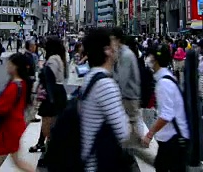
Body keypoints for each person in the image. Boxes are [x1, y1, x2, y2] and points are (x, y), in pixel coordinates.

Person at [80, 28, 130, 172]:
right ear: (107, 50)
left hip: (87, 160)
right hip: (97, 164)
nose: (117, 47)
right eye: (113, 43)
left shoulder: (90, 77)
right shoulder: (106, 85)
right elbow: (123, 132)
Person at [143, 44, 190, 172]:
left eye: (149, 56)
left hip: (173, 139)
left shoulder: (164, 83)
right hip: (172, 137)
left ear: (155, 60)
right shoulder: (166, 77)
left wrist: (149, 134)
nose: (147, 59)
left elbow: (166, 115)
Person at [0, 53, 35, 172]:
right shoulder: (23, 82)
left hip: (8, 128)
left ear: (15, 67)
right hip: (16, 125)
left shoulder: (14, 86)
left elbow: (2, 108)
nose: (7, 66)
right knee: (17, 161)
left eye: (9, 63)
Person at [29, 37, 68, 157]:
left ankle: (51, 152)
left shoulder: (52, 59)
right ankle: (42, 144)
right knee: (49, 121)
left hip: (52, 93)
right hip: (58, 92)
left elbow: (49, 78)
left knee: (48, 123)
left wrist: (50, 98)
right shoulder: (60, 58)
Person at [110, 27, 141, 147]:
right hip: (126, 96)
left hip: (129, 96)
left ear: (118, 40)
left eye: (112, 40)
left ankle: (132, 153)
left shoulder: (126, 55)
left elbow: (122, 79)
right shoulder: (121, 53)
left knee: (131, 125)